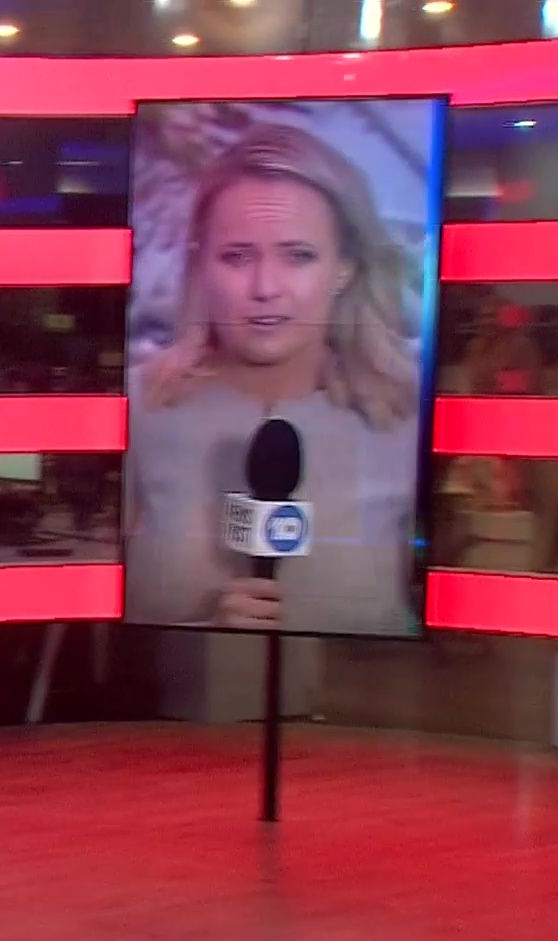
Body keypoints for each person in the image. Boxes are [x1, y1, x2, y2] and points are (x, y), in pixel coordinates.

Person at [125, 123, 422, 636]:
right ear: (201, 264)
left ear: (345, 267)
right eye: (237, 257)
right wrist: (203, 636)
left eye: (298, 256)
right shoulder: (136, 407)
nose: (265, 287)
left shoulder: (407, 417)